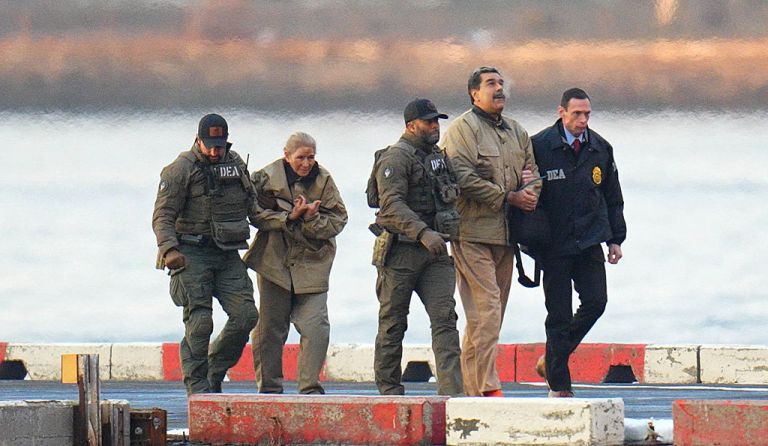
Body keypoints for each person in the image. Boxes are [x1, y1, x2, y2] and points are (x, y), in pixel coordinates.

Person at [442, 66, 540, 397]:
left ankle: (471, 391)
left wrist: (529, 194)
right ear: (475, 93)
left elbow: (533, 173)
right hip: (471, 233)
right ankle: (487, 388)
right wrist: (508, 196)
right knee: (486, 311)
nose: (499, 88)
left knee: (489, 317)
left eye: (500, 83)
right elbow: (461, 176)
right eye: (490, 84)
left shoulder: (516, 131)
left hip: (506, 236)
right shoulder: (462, 129)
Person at [152, 113, 259, 395]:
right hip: (191, 253)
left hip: (227, 252)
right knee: (200, 323)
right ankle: (198, 390)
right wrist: (169, 249)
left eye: (220, 146)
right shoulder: (180, 170)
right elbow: (162, 216)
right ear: (198, 140)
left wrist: (285, 218)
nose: (215, 152)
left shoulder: (235, 164)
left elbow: (252, 206)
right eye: (210, 146)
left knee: (246, 315)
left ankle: (215, 368)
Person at [531, 88, 626, 397]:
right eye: (577, 114)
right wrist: (530, 240)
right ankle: (560, 387)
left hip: (589, 241)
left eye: (587, 114)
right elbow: (529, 196)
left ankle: (552, 359)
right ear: (562, 112)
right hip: (554, 245)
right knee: (558, 316)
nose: (583, 120)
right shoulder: (539, 146)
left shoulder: (600, 148)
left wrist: (615, 239)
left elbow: (612, 197)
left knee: (596, 302)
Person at [369, 98, 464, 396]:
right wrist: (423, 232)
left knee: (445, 320)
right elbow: (391, 205)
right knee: (393, 323)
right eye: (428, 122)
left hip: (435, 255)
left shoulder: (437, 157)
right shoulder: (396, 158)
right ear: (411, 126)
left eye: (437, 121)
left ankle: (451, 395)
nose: (435, 126)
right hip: (401, 253)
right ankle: (389, 392)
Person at [243, 132, 347, 394]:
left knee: (316, 327)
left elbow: (338, 220)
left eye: (311, 157)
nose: (307, 163)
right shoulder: (265, 178)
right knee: (269, 330)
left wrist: (311, 218)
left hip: (312, 264)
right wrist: (288, 217)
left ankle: (309, 388)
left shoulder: (324, 181)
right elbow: (253, 214)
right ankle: (269, 389)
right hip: (274, 263)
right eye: (300, 157)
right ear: (286, 156)